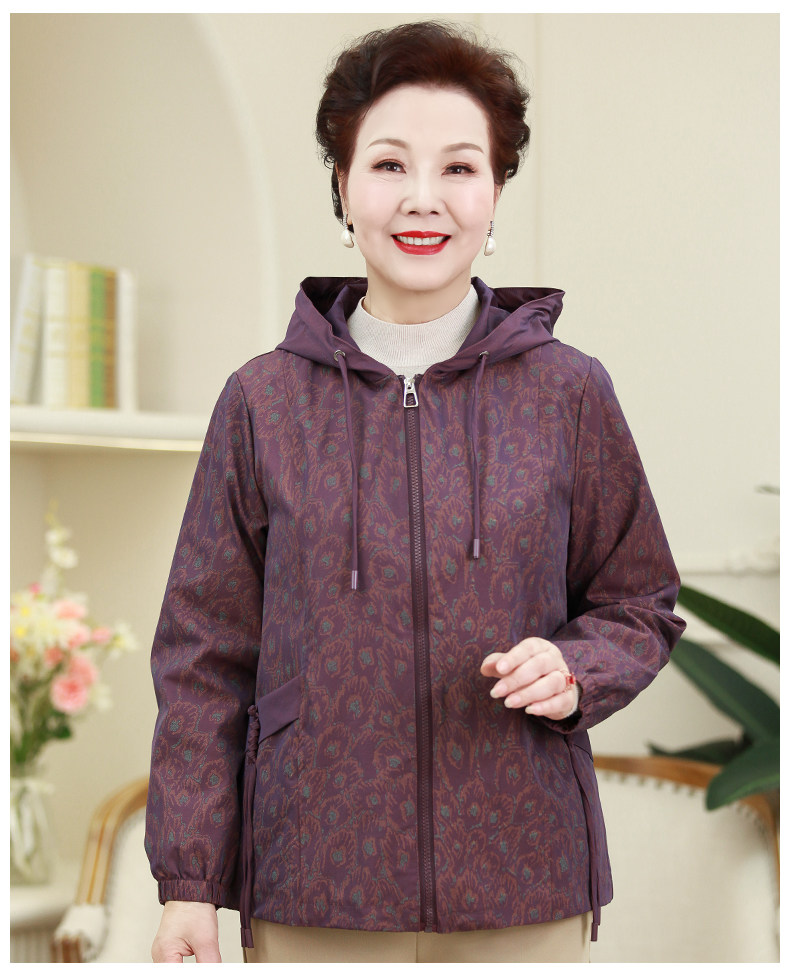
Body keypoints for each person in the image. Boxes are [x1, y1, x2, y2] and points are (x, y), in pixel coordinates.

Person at [146, 20, 685, 964]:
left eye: (460, 168)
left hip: (523, 880)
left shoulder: (568, 392)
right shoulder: (262, 402)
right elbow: (203, 656)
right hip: (314, 884)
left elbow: (640, 600)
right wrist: (190, 884)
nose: (423, 199)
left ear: (496, 191)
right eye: (390, 164)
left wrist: (575, 671)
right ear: (343, 186)